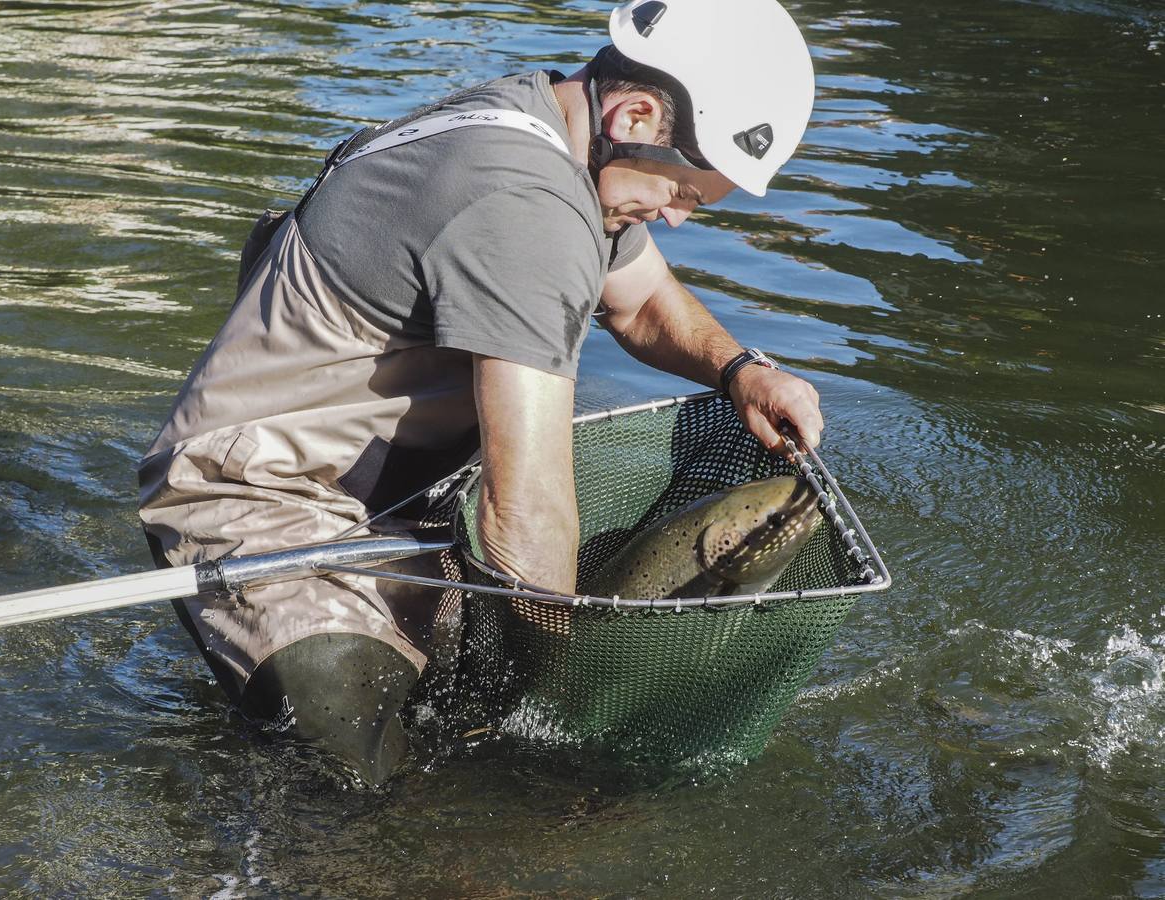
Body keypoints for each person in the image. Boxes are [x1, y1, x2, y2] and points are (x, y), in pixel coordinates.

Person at [138, 0, 825, 782]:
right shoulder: (524, 205)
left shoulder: (557, 131)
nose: (671, 219)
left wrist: (743, 371)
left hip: (394, 502)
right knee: (356, 779)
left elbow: (639, 301)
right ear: (635, 113)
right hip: (264, 502)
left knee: (461, 725)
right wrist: (560, 689)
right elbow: (524, 512)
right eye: (685, 195)